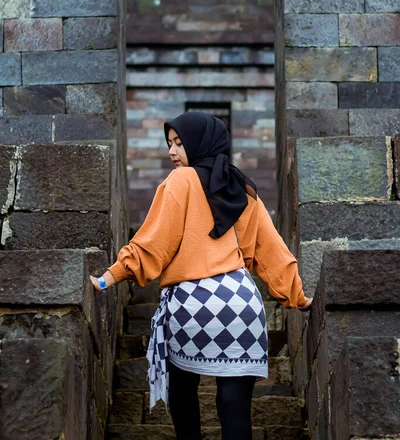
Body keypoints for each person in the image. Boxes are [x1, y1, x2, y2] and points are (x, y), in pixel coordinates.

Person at [90, 111, 312, 440]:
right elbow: (273, 252)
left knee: (183, 394)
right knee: (233, 406)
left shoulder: (180, 182)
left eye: (179, 143)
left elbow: (153, 244)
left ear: (199, 144)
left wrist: (109, 277)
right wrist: (299, 298)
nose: (172, 151)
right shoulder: (245, 189)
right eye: (169, 144)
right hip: (242, 306)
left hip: (193, 306)